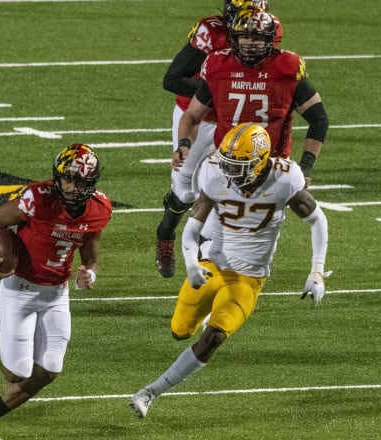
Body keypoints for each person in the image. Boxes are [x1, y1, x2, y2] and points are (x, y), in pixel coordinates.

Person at [130, 122, 331, 418]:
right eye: (228, 164)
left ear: (261, 162)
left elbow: (318, 220)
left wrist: (316, 270)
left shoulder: (285, 179)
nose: (231, 172)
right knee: (179, 331)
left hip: (250, 277)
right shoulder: (214, 172)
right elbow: (190, 231)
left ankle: (149, 392)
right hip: (213, 265)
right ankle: (206, 315)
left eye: (240, 166)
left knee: (213, 338)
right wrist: (192, 264)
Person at [0, 144, 112, 440]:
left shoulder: (100, 209)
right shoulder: (36, 199)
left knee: (49, 370)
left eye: (79, 180)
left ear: (92, 181)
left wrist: (90, 274)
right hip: (20, 288)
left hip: (57, 293)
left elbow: (91, 256)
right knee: (15, 374)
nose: (71, 186)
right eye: (67, 178)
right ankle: (3, 318)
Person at [156, 0, 283, 278]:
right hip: (196, 116)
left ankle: (205, 262)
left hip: (234, 121)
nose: (250, 31)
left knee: (221, 187)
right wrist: (216, 91)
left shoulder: (269, 31)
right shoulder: (211, 32)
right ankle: (165, 232)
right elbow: (172, 79)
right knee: (184, 191)